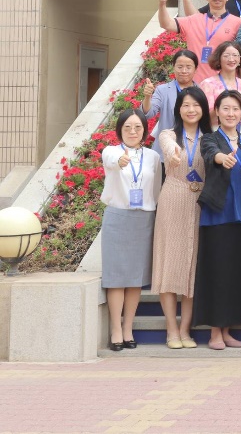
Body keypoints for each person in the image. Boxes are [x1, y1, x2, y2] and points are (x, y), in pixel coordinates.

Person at [152, 87, 211, 349]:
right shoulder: (168, 134)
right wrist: (173, 154)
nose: (191, 110)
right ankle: (171, 329)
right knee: (169, 263)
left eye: (196, 105)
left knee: (192, 266)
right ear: (178, 109)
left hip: (200, 203)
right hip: (173, 199)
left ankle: (186, 329)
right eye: (186, 105)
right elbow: (168, 148)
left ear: (203, 109)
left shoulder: (210, 137)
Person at [195, 91, 241, 350]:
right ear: (217, 111)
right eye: (226, 108)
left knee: (235, 274)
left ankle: (228, 329)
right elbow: (211, 154)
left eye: (235, 109)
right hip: (218, 214)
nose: (231, 114)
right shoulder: (210, 138)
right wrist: (223, 158)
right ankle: (215, 332)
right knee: (217, 273)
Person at [100, 109, 162, 351]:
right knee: (117, 278)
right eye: (127, 127)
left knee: (136, 279)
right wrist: (120, 162)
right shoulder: (111, 151)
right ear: (120, 130)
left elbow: (156, 190)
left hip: (144, 219)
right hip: (118, 218)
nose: (133, 132)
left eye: (138, 127)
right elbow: (111, 162)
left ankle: (128, 329)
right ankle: (116, 329)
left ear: (145, 130)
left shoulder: (152, 156)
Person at [159, 0, 241, 83]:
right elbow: (166, 24)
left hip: (224, 84)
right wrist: (162, 4)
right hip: (195, 84)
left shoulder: (238, 23)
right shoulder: (194, 20)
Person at [142, 48, 200, 136]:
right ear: (173, 67)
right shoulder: (162, 90)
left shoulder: (201, 91)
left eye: (188, 67)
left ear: (195, 69)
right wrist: (147, 97)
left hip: (193, 142)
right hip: (165, 142)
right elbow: (148, 113)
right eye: (180, 67)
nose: (184, 71)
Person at [198, 43, 241, 131]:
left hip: (239, 133)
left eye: (235, 55)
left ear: (240, 59)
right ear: (218, 59)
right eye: (226, 56)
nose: (231, 59)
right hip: (214, 133)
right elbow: (203, 118)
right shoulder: (207, 84)